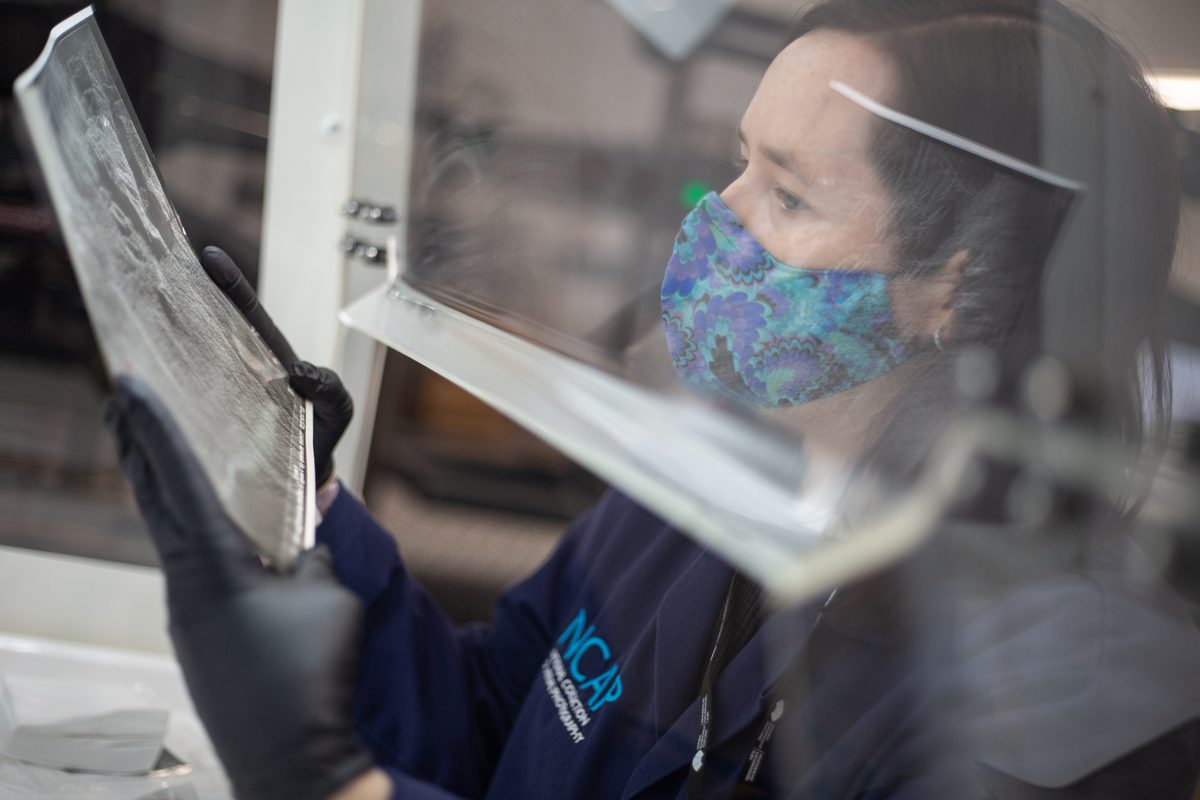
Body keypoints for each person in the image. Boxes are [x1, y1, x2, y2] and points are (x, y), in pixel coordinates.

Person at [104, 1, 1200, 798]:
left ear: (955, 282)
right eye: (738, 161)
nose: (712, 214)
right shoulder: (697, 495)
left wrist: (337, 787)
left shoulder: (1067, 694)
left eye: (787, 190)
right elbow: (495, 722)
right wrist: (306, 503)